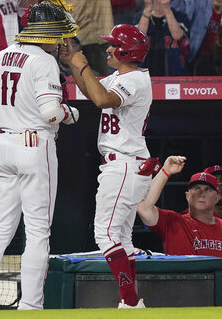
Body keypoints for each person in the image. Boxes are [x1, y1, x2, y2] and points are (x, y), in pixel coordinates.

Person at [0, 1, 80, 311]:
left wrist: (15, 109)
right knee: (38, 231)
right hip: (34, 144)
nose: (59, 40)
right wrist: (70, 113)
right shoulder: (42, 61)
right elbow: (51, 114)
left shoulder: (1, 55)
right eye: (56, 33)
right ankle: (30, 305)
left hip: (3, 145)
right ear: (44, 31)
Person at [61, 24, 153, 309]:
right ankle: (131, 302)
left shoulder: (135, 79)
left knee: (105, 234)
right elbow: (93, 92)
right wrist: (73, 61)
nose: (108, 49)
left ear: (128, 50)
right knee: (122, 237)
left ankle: (129, 300)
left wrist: (82, 63)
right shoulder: (121, 76)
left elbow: (101, 99)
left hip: (124, 164)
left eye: (113, 45)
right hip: (126, 164)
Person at [137, 156, 222, 306]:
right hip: (184, 310)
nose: (201, 193)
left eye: (208, 189)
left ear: (217, 197)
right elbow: (143, 207)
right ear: (187, 196)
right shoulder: (173, 223)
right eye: (196, 188)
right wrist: (165, 171)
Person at [135, 0, 189, 76]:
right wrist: (148, 9)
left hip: (173, 69)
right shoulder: (141, 16)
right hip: (146, 69)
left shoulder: (179, 15)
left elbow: (177, 36)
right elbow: (139, 37)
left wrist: (167, 9)